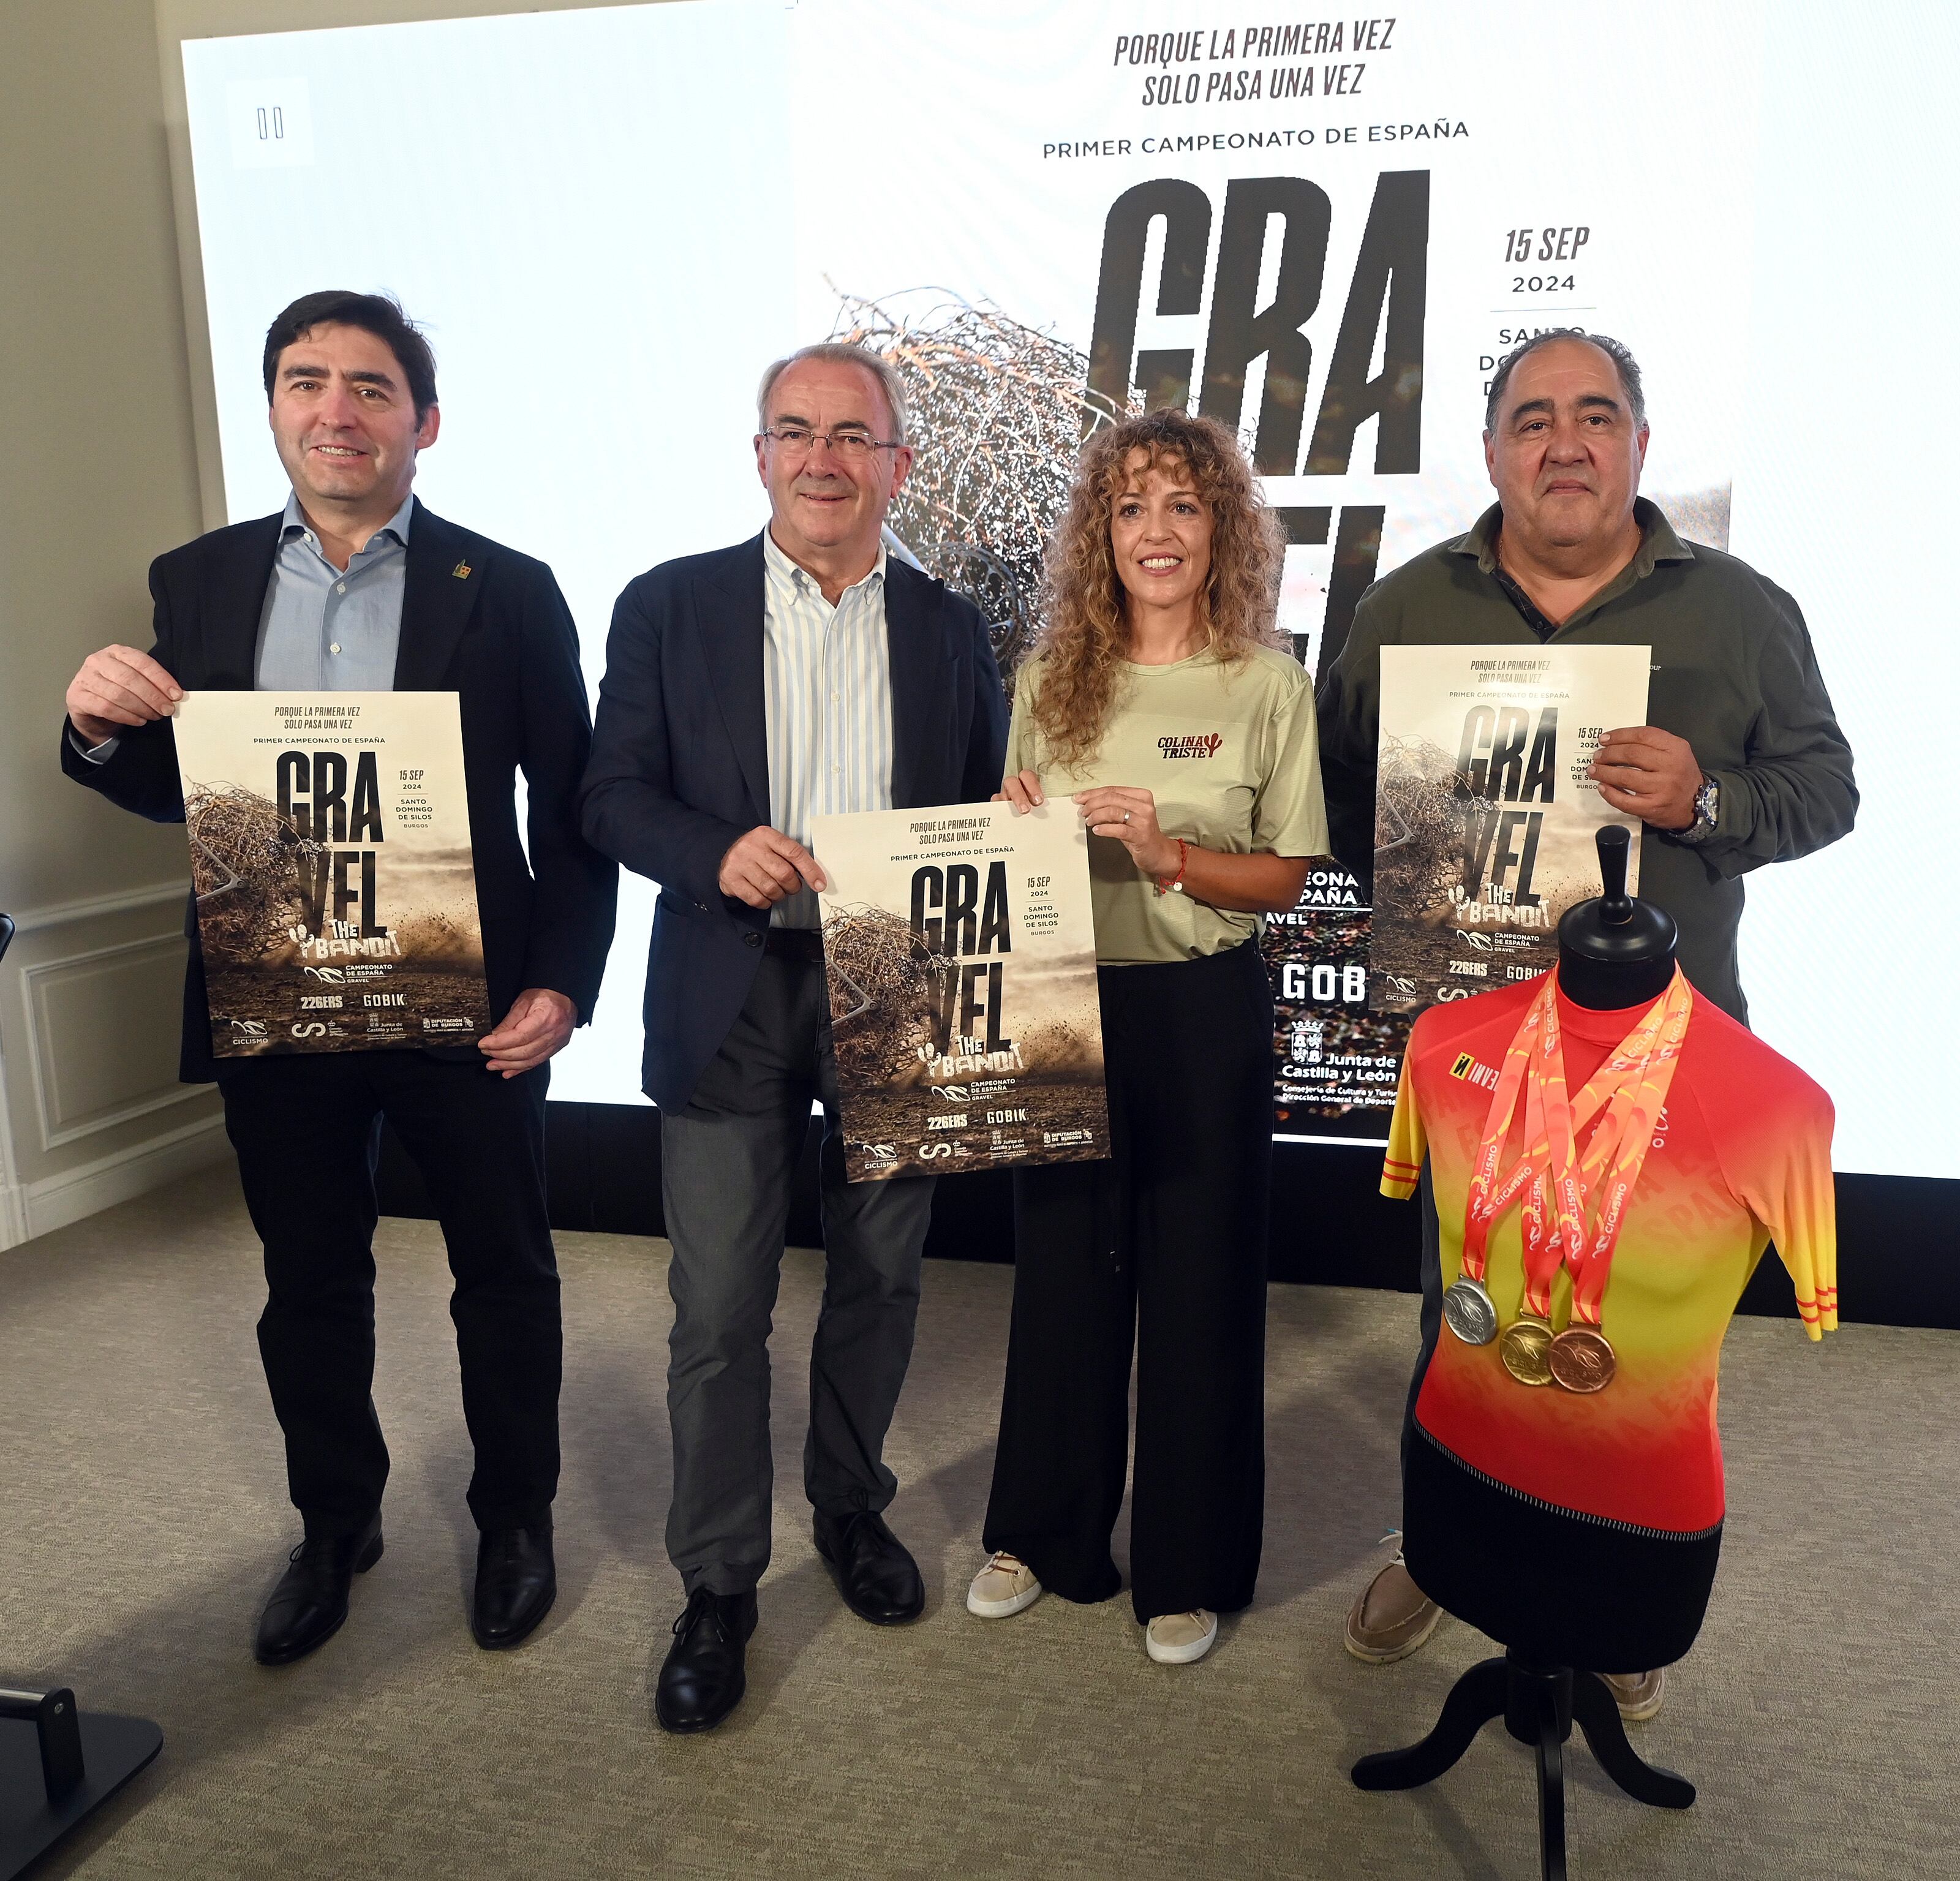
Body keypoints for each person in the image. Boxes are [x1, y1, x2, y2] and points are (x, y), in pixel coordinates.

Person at [61, 290, 617, 1664]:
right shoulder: (196, 581)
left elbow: (578, 806)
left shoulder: (510, 589)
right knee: (308, 1278)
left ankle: (515, 1523)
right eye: (306, 382)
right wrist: (90, 728)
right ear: (272, 410)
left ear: (422, 423)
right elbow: (183, 790)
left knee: (503, 1273)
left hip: (462, 1004)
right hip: (276, 997)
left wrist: (562, 983)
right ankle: (335, 1526)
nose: (335, 409)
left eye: (369, 388)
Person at [1316, 328, 1856, 1711]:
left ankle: (1619, 1595)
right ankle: (1445, 1555)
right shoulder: (1398, 611)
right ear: (1491, 450)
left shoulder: (1738, 611)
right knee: (1470, 1317)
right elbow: (1331, 799)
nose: (1566, 442)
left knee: (1640, 1341)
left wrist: (1704, 803)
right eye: (1534, 417)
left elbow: (1825, 793)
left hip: (1668, 1072)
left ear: (1638, 444)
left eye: (1596, 416)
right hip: (1480, 1063)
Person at [579, 342, 1008, 1733]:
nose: (822, 457)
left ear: (900, 463)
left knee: (882, 1284)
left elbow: (973, 818)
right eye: (794, 431)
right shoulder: (667, 606)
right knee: (716, 1313)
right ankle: (718, 1581)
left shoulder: (948, 629)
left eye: (852, 435)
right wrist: (716, 854)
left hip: (900, 984)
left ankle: (849, 1504)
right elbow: (610, 797)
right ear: (757, 453)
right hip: (727, 985)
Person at [967, 409, 1326, 1666]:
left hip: (1199, 1011)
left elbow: (1285, 881)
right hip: (1067, 997)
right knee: (1062, 1272)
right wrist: (1012, 824)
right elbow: (1009, 863)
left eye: (1181, 505)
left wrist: (1168, 853)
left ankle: (1188, 1563)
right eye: (1129, 509)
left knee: (1202, 1287)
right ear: (1098, 536)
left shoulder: (1265, 686)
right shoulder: (1044, 680)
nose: (1155, 533)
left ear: (1220, 527)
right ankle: (1040, 1530)